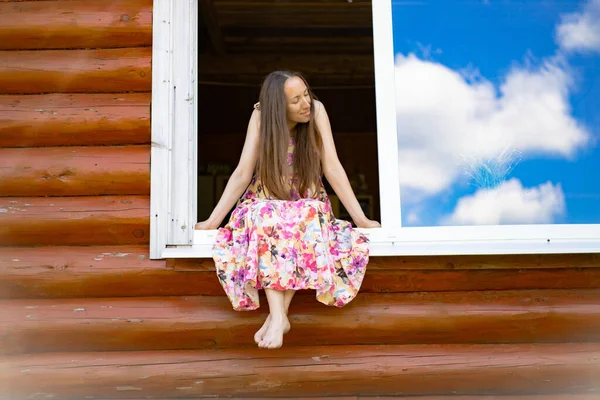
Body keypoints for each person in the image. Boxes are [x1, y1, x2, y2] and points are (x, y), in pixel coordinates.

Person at [195, 70, 380, 349]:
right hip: (264, 202)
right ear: (277, 107)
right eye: (295, 100)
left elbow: (332, 166)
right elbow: (243, 172)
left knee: (305, 215)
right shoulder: (260, 117)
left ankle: (277, 316)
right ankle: (279, 315)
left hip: (305, 201)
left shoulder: (317, 111)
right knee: (268, 215)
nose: (306, 103)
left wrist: (361, 219)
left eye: (306, 93)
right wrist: (212, 222)